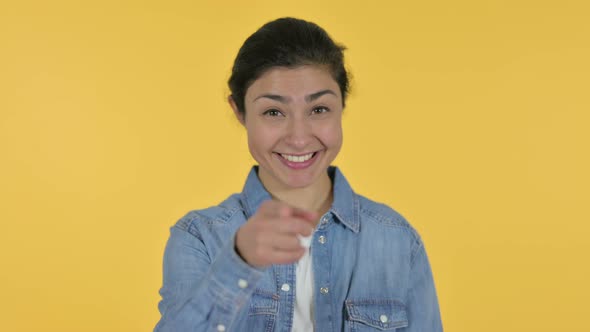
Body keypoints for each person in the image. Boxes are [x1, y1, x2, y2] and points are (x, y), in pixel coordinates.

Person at [154, 17, 443, 332]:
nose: (299, 138)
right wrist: (238, 263)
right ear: (239, 111)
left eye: (319, 109)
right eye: (273, 112)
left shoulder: (398, 241)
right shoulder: (200, 238)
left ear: (341, 106)